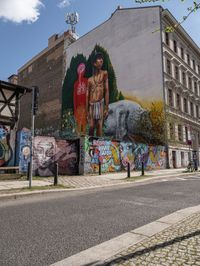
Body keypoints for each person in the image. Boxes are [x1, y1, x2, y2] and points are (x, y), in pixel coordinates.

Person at [86, 52, 109, 137]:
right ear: (94, 63)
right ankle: (89, 145)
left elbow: (107, 90)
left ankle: (99, 148)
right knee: (91, 126)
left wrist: (107, 107)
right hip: (92, 104)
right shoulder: (90, 80)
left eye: (101, 58)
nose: (101, 60)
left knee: (99, 126)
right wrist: (87, 111)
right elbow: (87, 96)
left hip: (100, 103)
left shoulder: (104, 73)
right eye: (99, 59)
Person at [73, 63, 88, 135]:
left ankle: (81, 137)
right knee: (81, 124)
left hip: (82, 107)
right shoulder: (85, 81)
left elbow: (74, 98)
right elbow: (74, 97)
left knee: (81, 124)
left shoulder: (78, 83)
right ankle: (81, 137)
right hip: (82, 107)